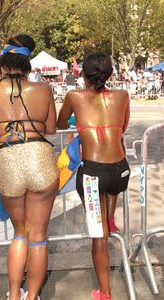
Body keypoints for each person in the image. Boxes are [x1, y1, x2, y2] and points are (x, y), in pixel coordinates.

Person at [0, 34, 59, 300]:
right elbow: (50, 128)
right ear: (29, 67)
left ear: (3, 65)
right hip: (39, 157)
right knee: (38, 236)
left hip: (8, 159)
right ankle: (32, 295)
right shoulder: (44, 90)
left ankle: (14, 294)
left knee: (20, 233)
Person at [57, 52, 130, 300]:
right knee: (111, 187)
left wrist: (82, 124)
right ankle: (110, 218)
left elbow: (60, 122)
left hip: (92, 175)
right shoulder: (123, 96)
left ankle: (105, 293)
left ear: (82, 74)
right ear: (110, 74)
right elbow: (123, 127)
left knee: (98, 237)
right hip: (121, 170)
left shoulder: (74, 96)